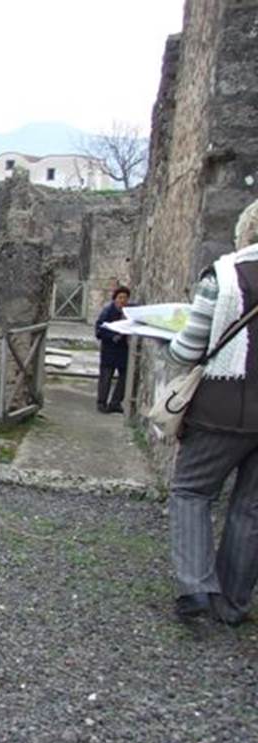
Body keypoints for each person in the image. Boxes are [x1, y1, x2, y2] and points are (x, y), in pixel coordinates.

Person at [166, 198, 258, 623]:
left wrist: (169, 337)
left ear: (246, 231)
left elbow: (187, 350)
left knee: (192, 491)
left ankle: (197, 588)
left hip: (221, 408)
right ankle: (233, 602)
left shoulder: (223, 278)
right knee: (250, 507)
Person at [94, 286, 131, 413]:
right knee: (106, 376)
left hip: (122, 349)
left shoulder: (128, 312)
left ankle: (115, 402)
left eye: (125, 298)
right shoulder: (107, 311)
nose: (122, 300)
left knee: (124, 376)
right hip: (109, 348)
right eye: (120, 297)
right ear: (115, 299)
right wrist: (112, 336)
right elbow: (99, 330)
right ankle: (102, 402)